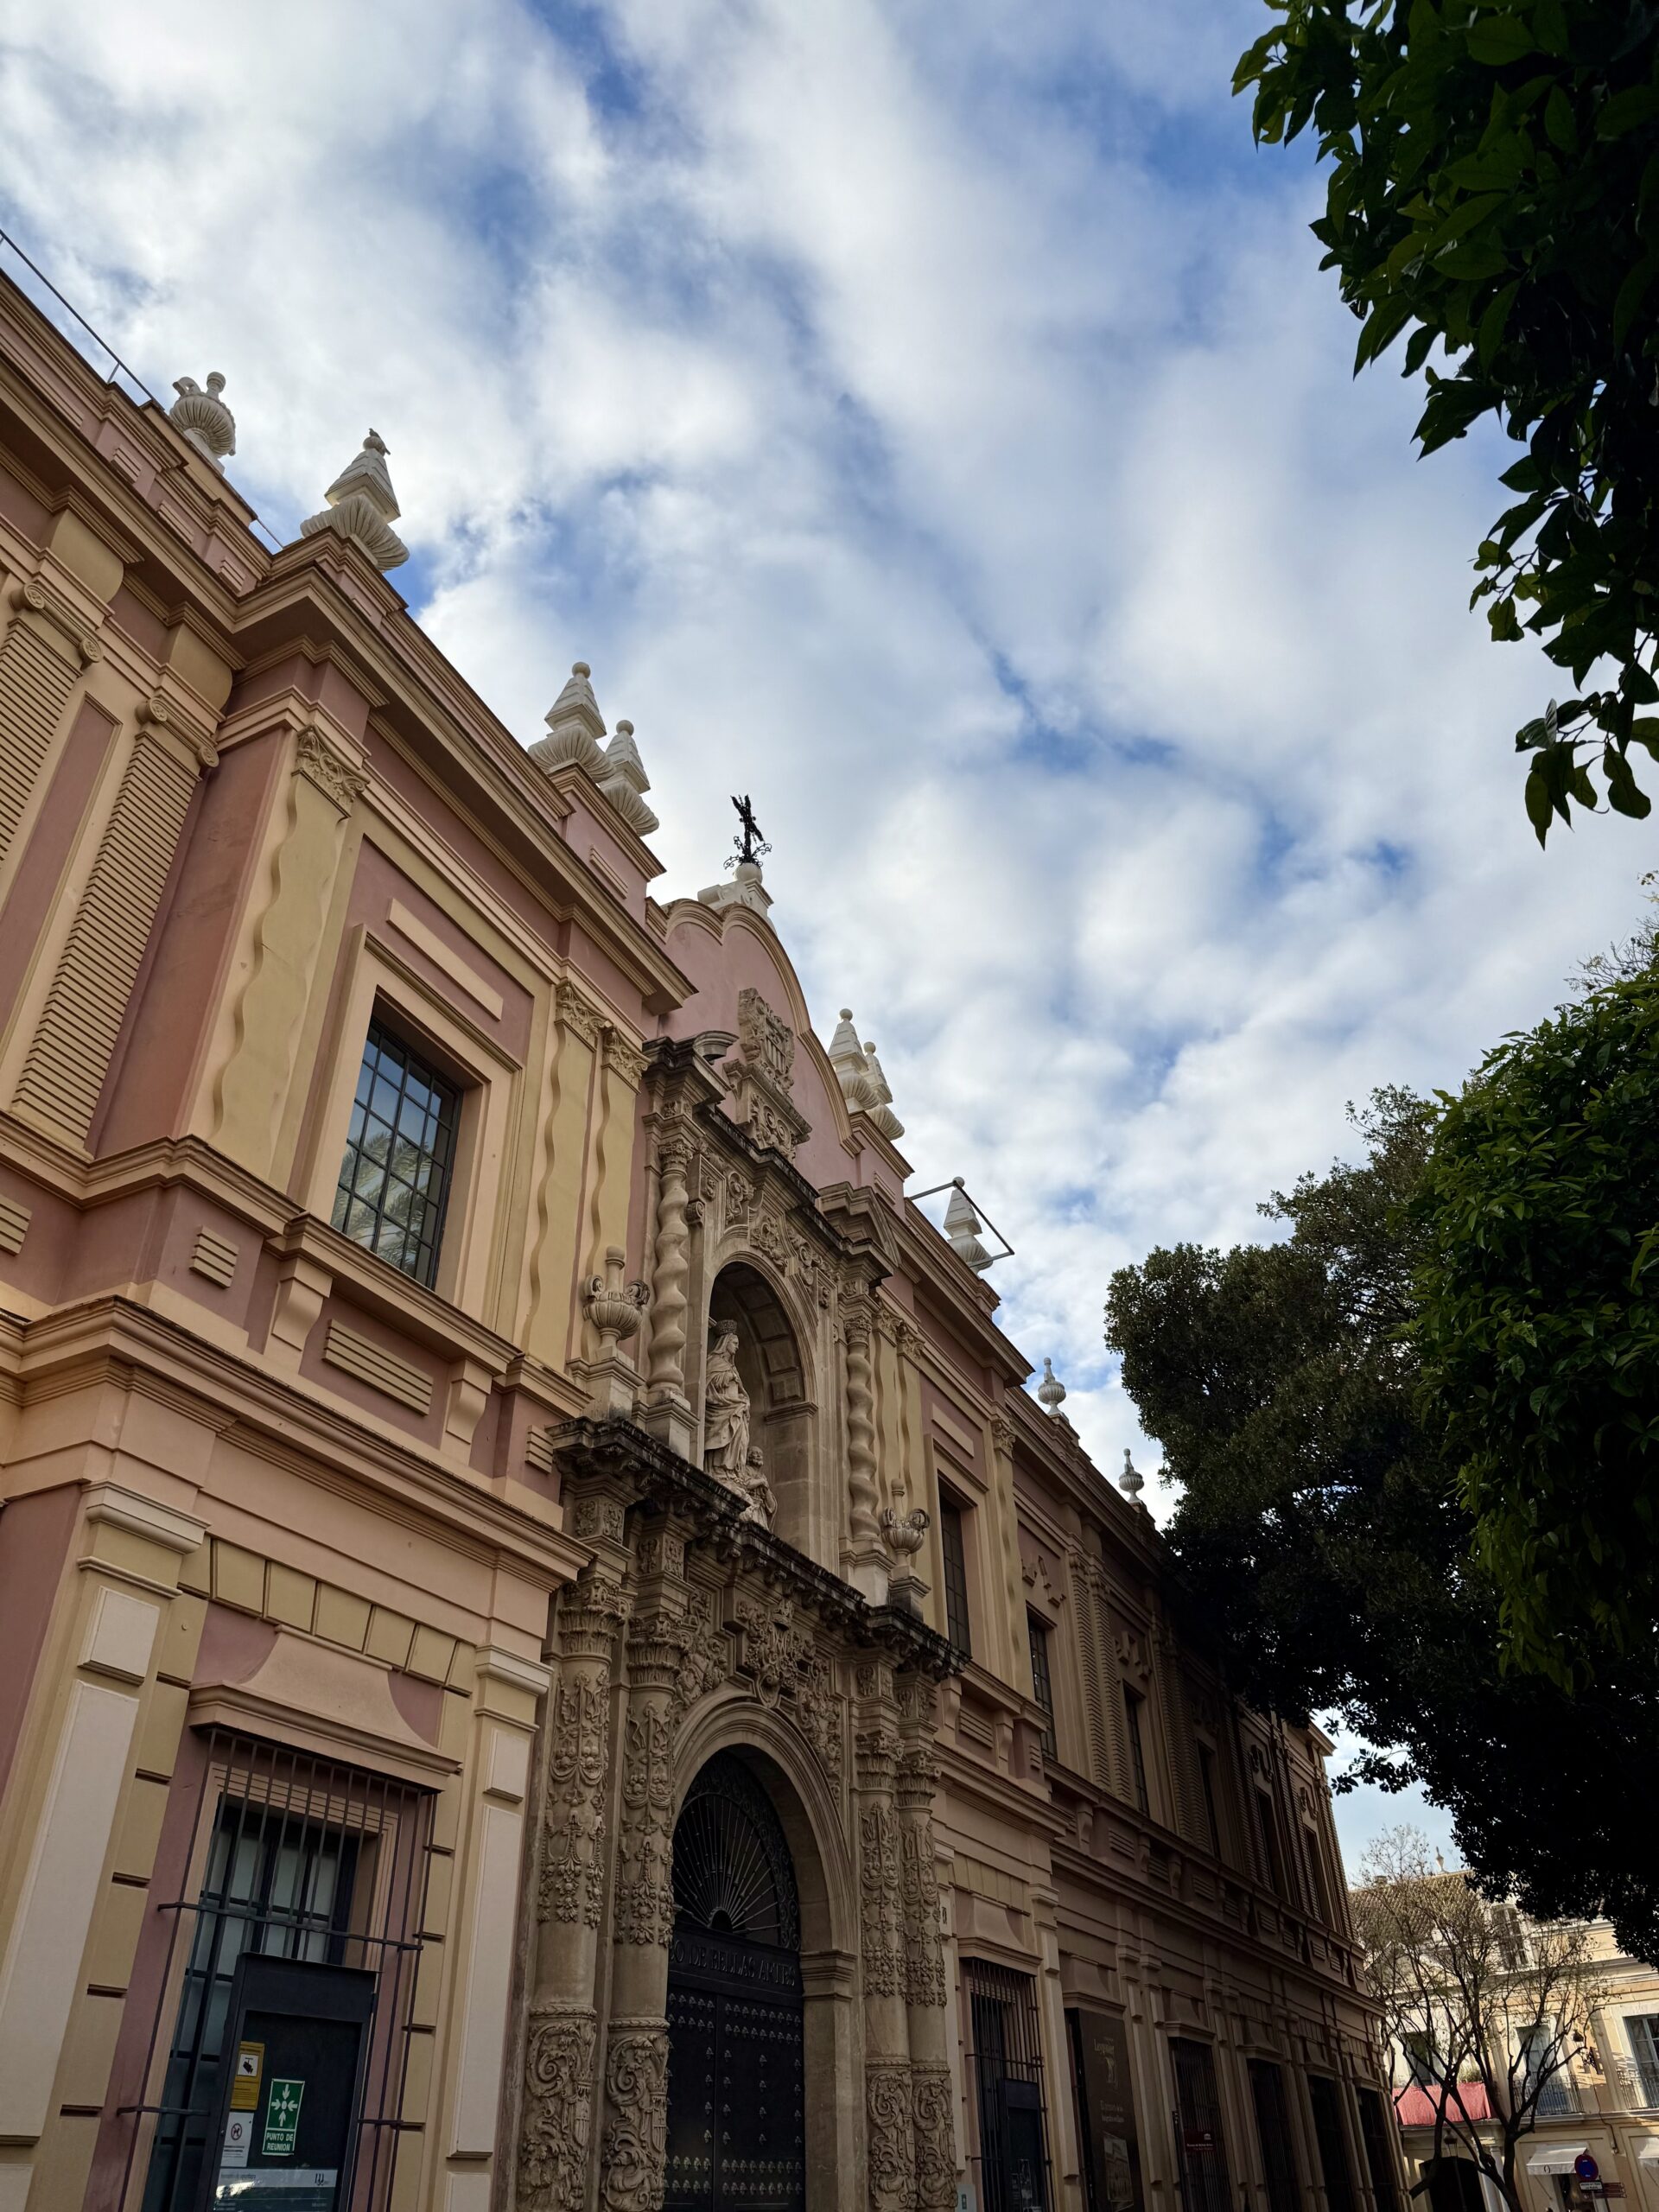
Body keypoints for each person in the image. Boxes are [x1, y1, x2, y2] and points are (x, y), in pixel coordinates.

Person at [703, 1327, 751, 1482]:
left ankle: (732, 1473)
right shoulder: (714, 1361)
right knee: (728, 1432)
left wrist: (744, 1400)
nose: (737, 1347)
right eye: (735, 1343)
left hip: (734, 1406)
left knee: (741, 1437)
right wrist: (728, 1376)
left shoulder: (732, 1367)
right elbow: (708, 1384)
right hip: (720, 1405)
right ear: (726, 1343)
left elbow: (742, 1390)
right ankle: (718, 1469)